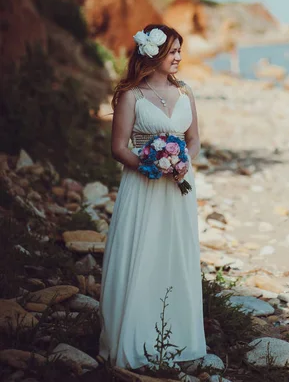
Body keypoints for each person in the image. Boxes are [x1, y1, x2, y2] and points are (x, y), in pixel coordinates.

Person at [98, 23, 207, 370]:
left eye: (179, 51)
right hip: (143, 188)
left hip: (178, 190)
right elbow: (118, 148)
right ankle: (136, 337)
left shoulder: (186, 91)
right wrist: (150, 165)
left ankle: (179, 338)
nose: (178, 57)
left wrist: (182, 163)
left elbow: (194, 140)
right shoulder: (131, 95)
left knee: (175, 254)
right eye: (172, 51)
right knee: (143, 253)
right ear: (154, 54)